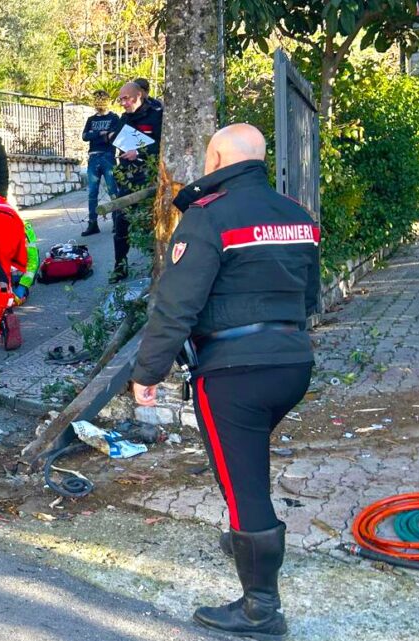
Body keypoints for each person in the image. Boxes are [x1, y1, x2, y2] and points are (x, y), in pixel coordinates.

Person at [131, 124, 320, 641]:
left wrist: (147, 374)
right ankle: (245, 537)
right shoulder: (297, 216)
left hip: (234, 372)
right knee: (245, 467)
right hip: (292, 363)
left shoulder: (207, 218)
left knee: (244, 484)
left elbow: (176, 306)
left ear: (216, 158)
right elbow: (310, 299)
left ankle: (261, 609)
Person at [109, 81, 163, 282]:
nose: (123, 103)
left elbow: (163, 144)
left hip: (149, 178)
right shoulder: (125, 118)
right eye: (120, 99)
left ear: (139, 95)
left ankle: (154, 266)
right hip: (127, 178)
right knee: (121, 223)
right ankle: (119, 267)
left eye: (126, 98)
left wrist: (139, 152)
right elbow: (118, 141)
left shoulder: (157, 114)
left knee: (151, 223)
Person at [81, 90, 120, 237]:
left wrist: (101, 134)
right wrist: (100, 133)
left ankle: (117, 222)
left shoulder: (114, 117)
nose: (99, 103)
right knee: (92, 192)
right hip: (93, 157)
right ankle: (92, 223)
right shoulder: (91, 119)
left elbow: (113, 136)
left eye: (101, 100)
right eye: (97, 100)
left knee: (112, 190)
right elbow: (85, 136)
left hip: (108, 156)